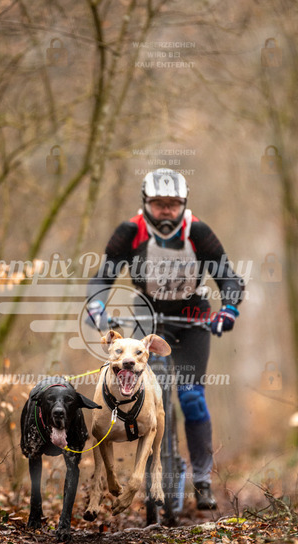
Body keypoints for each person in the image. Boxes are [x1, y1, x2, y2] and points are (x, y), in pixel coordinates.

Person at [85, 168, 244, 511]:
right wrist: (96, 305)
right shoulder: (130, 232)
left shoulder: (198, 232)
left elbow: (228, 277)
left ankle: (201, 479)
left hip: (192, 319)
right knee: (144, 391)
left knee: (191, 397)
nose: (167, 211)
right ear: (146, 203)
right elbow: (103, 276)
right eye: (159, 204)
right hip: (147, 317)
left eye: (173, 204)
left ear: (184, 203)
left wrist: (228, 309)